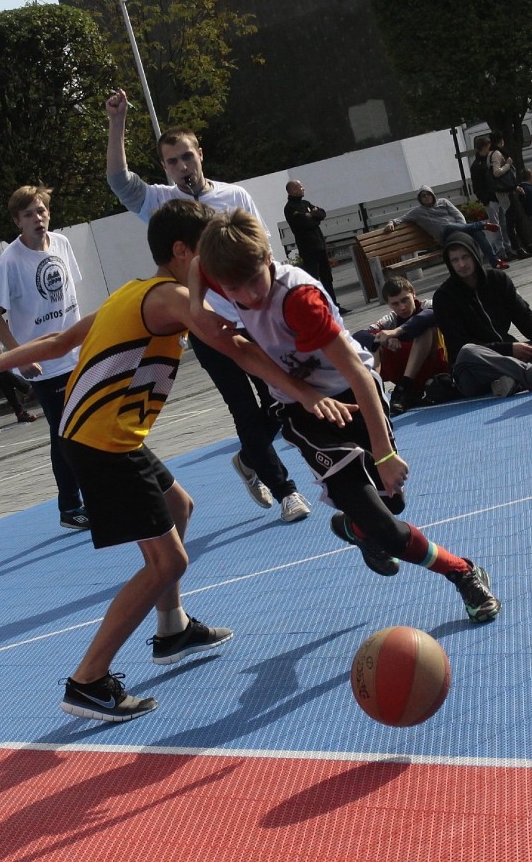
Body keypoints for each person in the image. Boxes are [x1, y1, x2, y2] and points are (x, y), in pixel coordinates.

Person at [0, 200, 357, 722]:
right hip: (101, 443)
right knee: (168, 560)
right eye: (207, 253)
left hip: (109, 436)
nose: (216, 264)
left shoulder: (135, 292)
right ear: (183, 252)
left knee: (179, 506)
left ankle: (171, 629)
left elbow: (60, 339)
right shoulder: (175, 298)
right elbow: (237, 348)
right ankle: (87, 681)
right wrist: (303, 393)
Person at [191, 207, 501, 625]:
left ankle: (358, 529)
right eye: (233, 290)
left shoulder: (298, 300)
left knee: (392, 503)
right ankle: (463, 572)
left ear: (268, 259)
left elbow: (356, 373)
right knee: (387, 528)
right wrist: (200, 309)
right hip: (304, 412)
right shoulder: (224, 269)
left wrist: (385, 455)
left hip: (353, 391)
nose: (247, 297)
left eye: (253, 282)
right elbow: (198, 268)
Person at [105, 88, 311, 523]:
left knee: (279, 400)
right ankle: (286, 490)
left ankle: (249, 459)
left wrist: (278, 304)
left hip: (254, 319)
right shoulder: (161, 202)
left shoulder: (234, 197)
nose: (183, 167)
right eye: (173, 161)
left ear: (201, 154)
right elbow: (120, 182)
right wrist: (117, 123)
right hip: (205, 325)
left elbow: (263, 254)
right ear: (165, 168)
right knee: (242, 407)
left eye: (187, 157)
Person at [0, 184, 89, 531]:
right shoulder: (10, 262)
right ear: (18, 221)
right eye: (29, 214)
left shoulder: (62, 244)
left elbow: (69, 298)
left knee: (88, 427)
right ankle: (70, 506)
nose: (38, 218)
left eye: (41, 210)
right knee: (64, 434)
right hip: (44, 364)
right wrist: (19, 356)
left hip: (76, 354)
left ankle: (96, 493)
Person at [433, 232, 532, 398]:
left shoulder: (498, 279)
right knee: (467, 351)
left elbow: (523, 314)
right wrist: (507, 349)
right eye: (455, 260)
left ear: (476, 255)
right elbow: (458, 345)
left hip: (509, 357)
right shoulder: (444, 297)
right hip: (474, 368)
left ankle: (512, 382)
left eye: (465, 257)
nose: (462, 264)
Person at [352, 275, 449, 416]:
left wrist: (396, 331)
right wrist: (385, 339)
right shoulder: (390, 319)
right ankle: (375, 393)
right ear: (389, 304)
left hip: (433, 367)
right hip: (401, 370)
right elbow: (358, 336)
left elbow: (431, 315)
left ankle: (404, 387)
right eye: (395, 304)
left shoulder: (427, 305)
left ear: (413, 293)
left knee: (424, 329)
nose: (402, 307)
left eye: (405, 300)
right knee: (374, 343)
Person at [385, 185, 506, 270]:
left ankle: (495, 261)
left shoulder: (443, 202)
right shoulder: (418, 212)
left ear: (433, 195)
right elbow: (399, 219)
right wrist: (391, 223)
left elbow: (458, 215)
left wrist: (462, 228)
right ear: (420, 199)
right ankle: (482, 225)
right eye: (423, 196)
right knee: (448, 227)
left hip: (460, 230)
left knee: (478, 233)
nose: (426, 197)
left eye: (428, 194)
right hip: (446, 237)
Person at [284, 180, 350, 314]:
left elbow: (322, 213)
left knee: (327, 277)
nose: (303, 188)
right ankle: (319, 308)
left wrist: (312, 215)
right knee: (314, 279)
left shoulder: (305, 203)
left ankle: (334, 306)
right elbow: (304, 224)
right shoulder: (290, 208)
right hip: (308, 249)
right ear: (292, 190)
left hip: (319, 246)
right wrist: (312, 217)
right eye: (300, 186)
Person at [488, 131, 532, 257]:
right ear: (500, 140)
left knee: (515, 220)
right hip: (506, 193)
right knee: (513, 221)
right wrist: (508, 165)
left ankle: (525, 246)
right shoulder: (497, 154)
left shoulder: (491, 154)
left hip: (507, 190)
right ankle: (519, 248)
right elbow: (496, 172)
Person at [470, 136, 510, 265]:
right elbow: (477, 185)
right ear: (484, 147)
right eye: (488, 146)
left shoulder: (487, 160)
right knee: (496, 226)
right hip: (490, 198)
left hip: (496, 196)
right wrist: (484, 199)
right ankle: (501, 250)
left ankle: (506, 247)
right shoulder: (477, 165)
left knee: (503, 224)